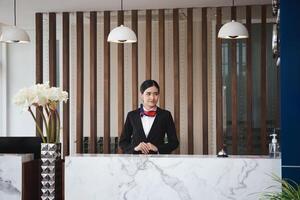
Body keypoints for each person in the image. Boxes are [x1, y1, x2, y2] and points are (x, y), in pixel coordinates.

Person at [119, 80, 179, 154]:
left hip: (158, 161)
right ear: (141, 95)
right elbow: (122, 142)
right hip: (135, 161)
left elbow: (174, 142)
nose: (152, 98)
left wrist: (157, 148)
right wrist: (135, 148)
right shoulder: (132, 115)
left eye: (156, 94)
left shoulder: (166, 115)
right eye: (148, 94)